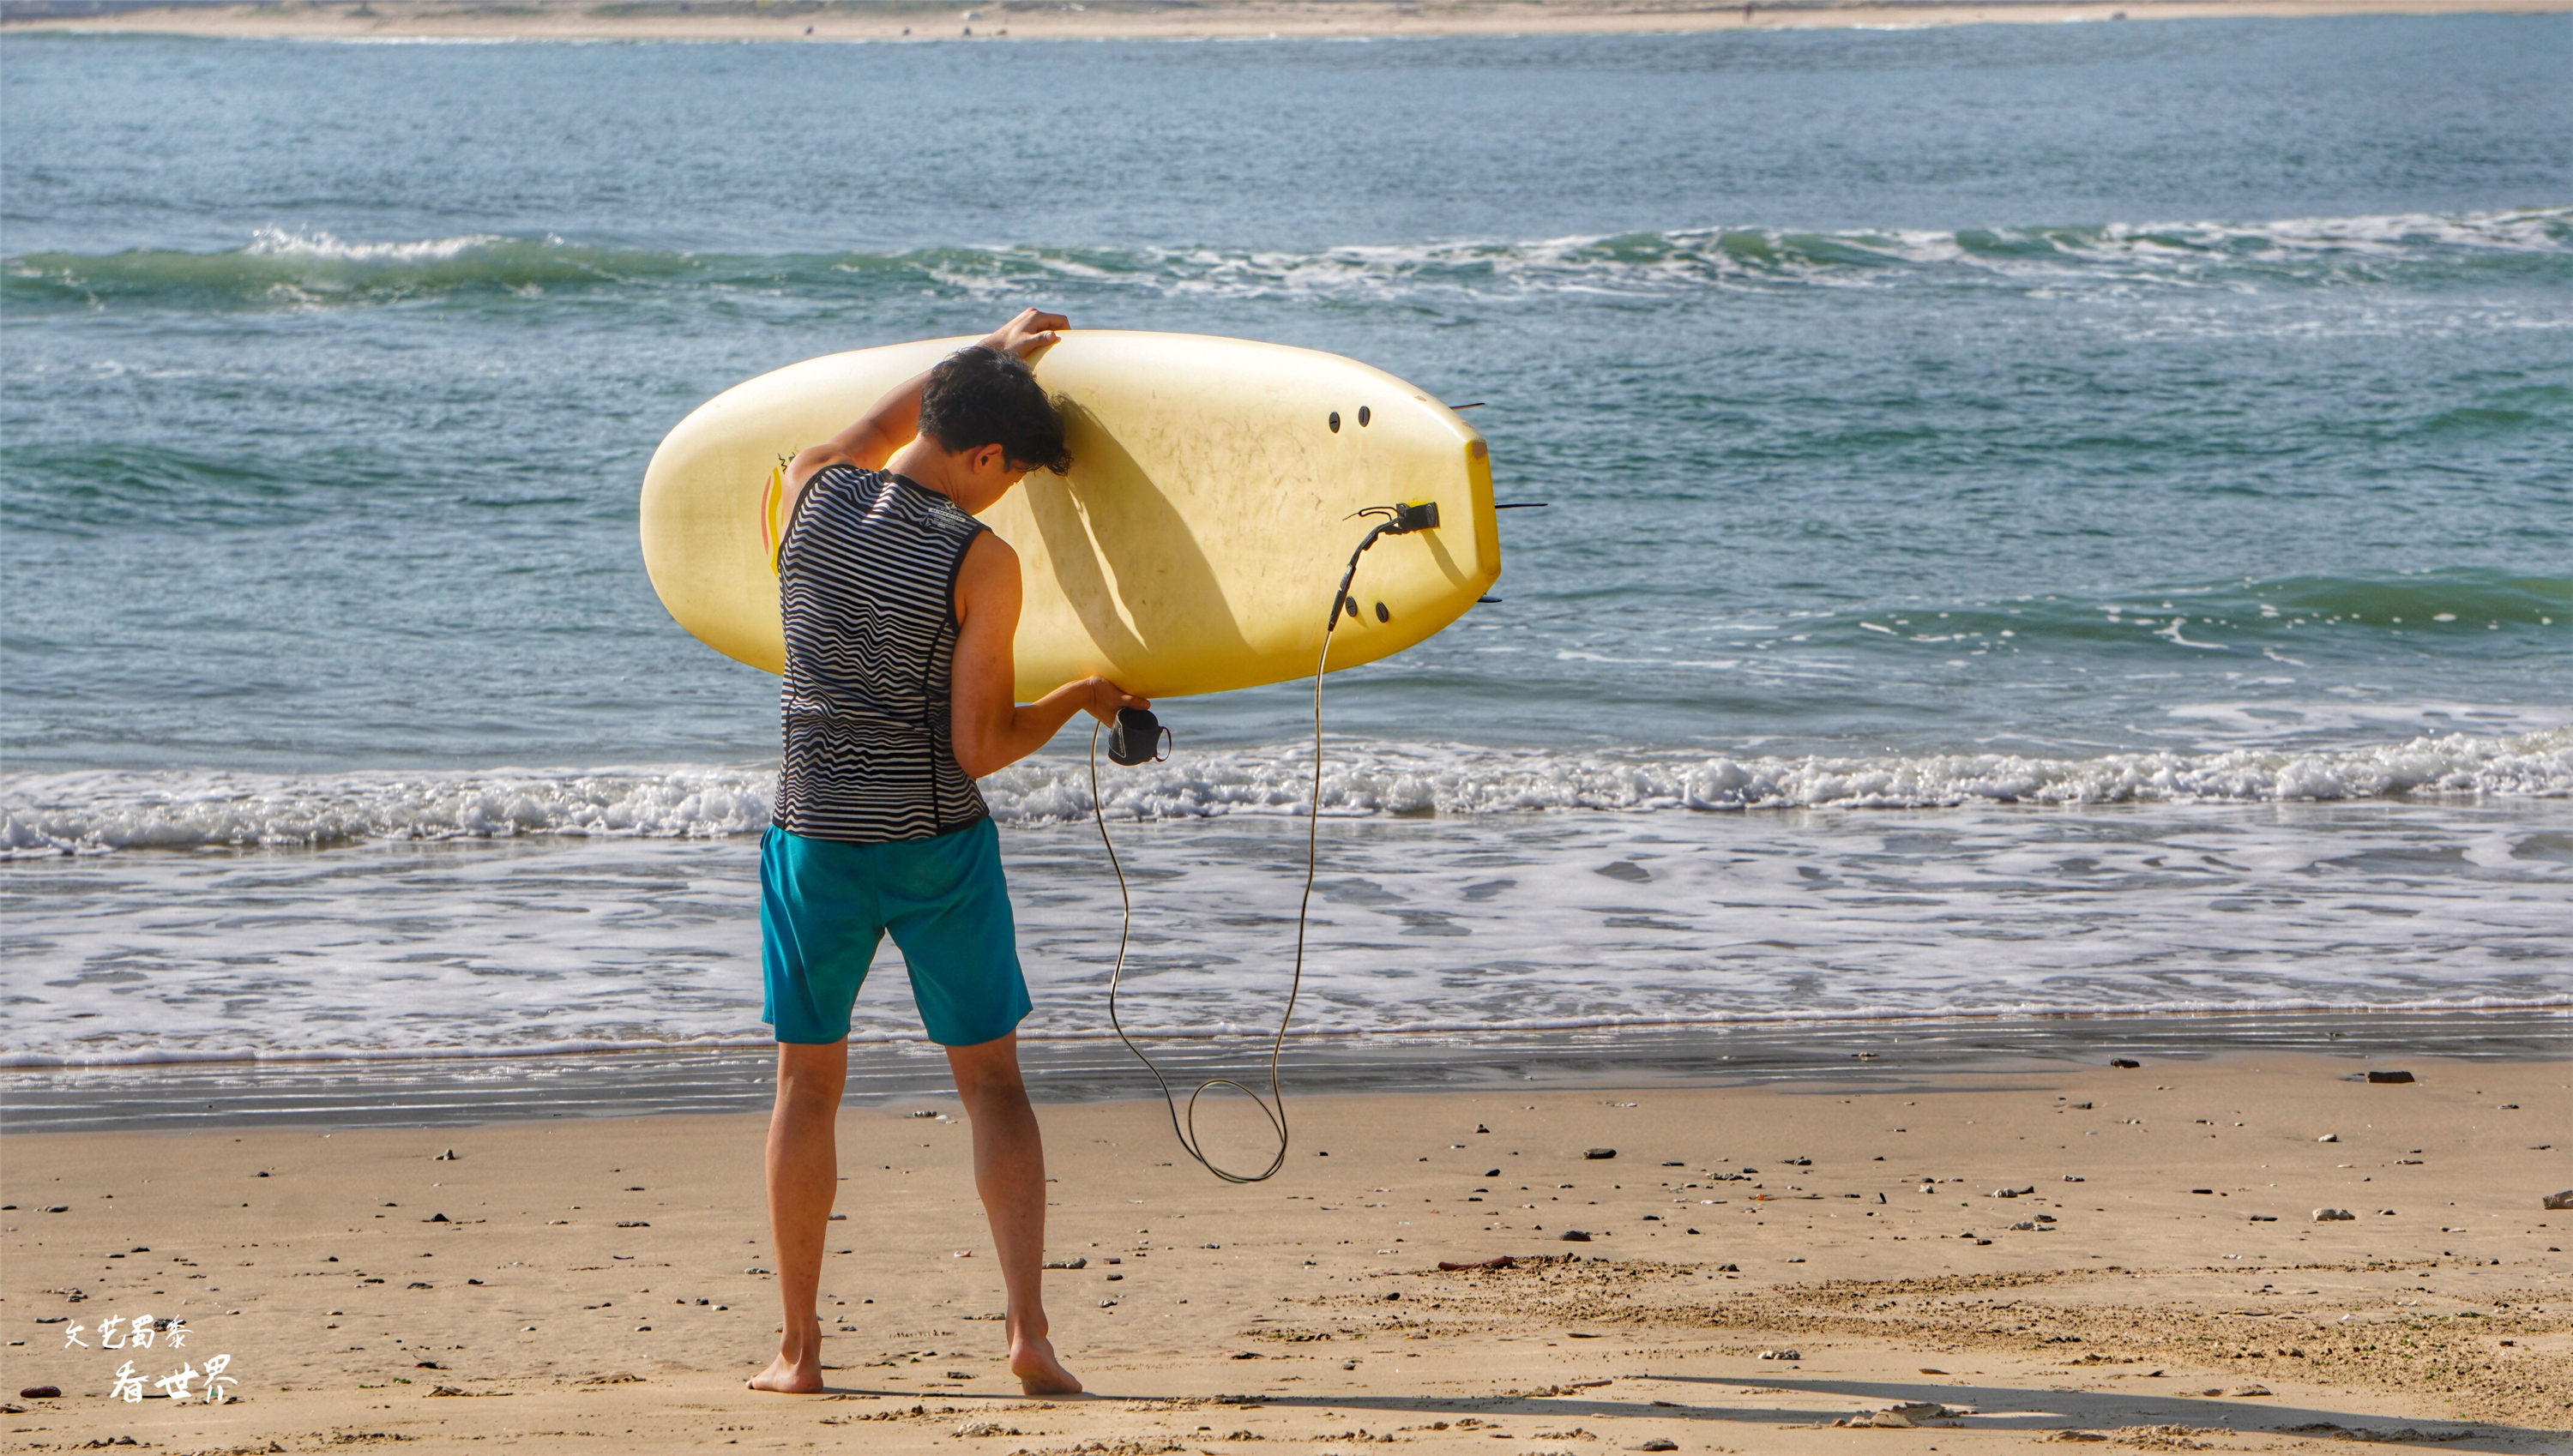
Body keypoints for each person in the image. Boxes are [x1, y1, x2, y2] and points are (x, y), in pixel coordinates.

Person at [748, 308, 1144, 1399]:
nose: (1009, 490)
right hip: (932, 846)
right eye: (1011, 471)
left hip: (814, 835)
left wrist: (992, 353)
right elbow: (979, 748)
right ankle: (1028, 1335)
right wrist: (1075, 697)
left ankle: (798, 1350)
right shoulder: (981, 559)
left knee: (806, 1085)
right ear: (981, 457)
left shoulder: (813, 484)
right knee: (993, 1087)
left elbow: (878, 422)